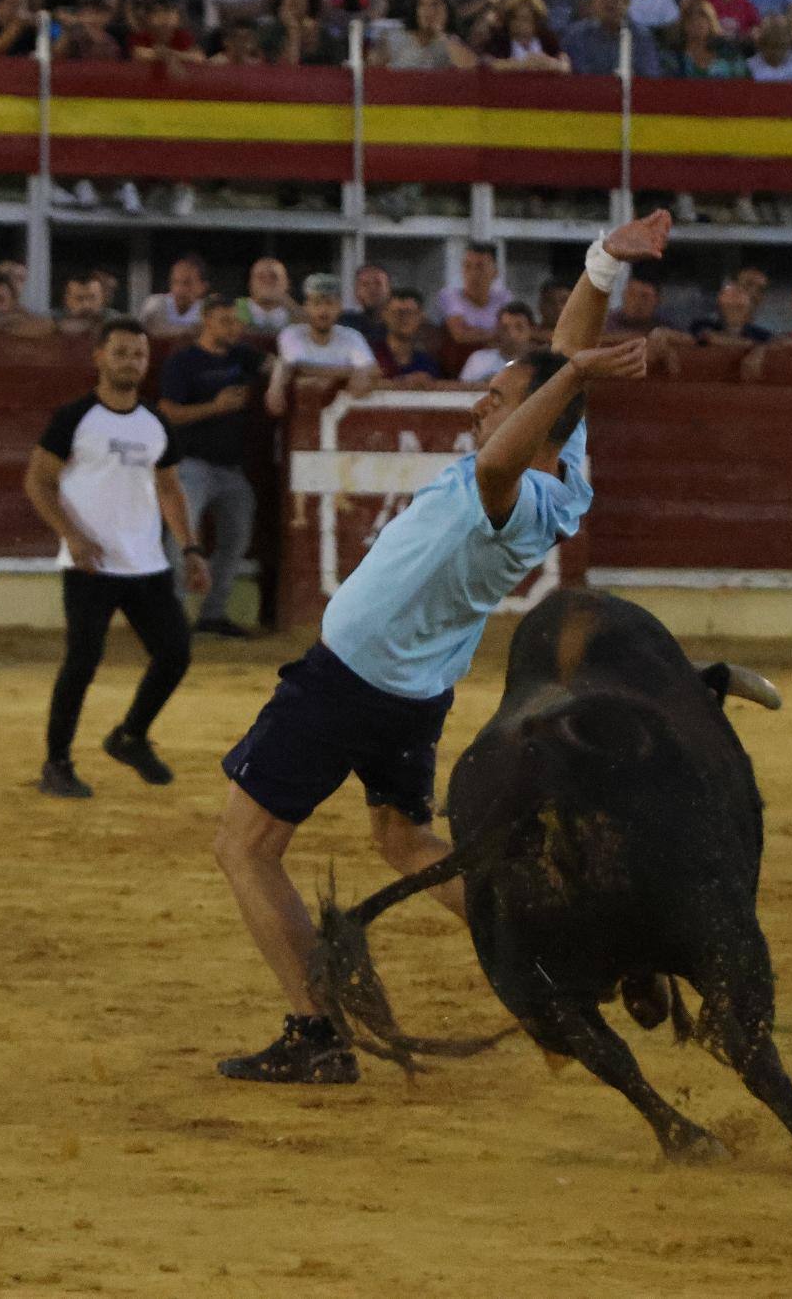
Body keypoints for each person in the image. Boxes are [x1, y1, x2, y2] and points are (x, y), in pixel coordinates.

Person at [210, 211, 662, 1085]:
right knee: (407, 841)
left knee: (245, 847)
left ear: (537, 421)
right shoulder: (564, 468)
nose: (481, 403)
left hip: (347, 682)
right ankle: (553, 956)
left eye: (499, 397)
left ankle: (315, 1032)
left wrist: (569, 372)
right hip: (413, 689)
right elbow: (563, 359)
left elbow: (510, 444)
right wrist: (604, 263)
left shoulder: (513, 493)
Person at [23, 316, 207, 799]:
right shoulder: (74, 417)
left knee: (175, 653)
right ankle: (56, 764)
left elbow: (170, 488)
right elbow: (38, 481)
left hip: (145, 561)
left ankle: (130, 736)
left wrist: (189, 546)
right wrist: (72, 536)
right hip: (90, 565)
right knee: (82, 661)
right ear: (99, 357)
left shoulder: (155, 422)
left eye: (139, 354)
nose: (131, 362)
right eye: (121, 352)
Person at [158, 294, 268, 638]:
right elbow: (168, 412)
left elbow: (283, 364)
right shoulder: (184, 362)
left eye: (236, 322)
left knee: (237, 539)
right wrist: (215, 408)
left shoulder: (243, 355)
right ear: (206, 320)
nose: (233, 328)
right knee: (181, 539)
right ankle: (170, 619)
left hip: (232, 468)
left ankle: (212, 614)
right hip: (190, 465)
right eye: (225, 321)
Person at [266, 273, 377, 414]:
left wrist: (359, 374)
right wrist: (349, 373)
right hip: (300, 417)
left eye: (329, 303)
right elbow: (292, 366)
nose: (323, 311)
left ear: (339, 307)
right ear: (306, 306)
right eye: (317, 303)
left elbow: (371, 370)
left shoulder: (352, 336)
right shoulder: (291, 334)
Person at [373, 288, 442, 384]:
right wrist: (401, 382)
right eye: (397, 312)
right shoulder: (369, 355)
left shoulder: (427, 364)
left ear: (421, 317)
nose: (404, 318)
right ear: (384, 315)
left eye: (410, 313)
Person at [459, 300, 538, 382]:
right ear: (498, 330)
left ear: (532, 330)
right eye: (505, 328)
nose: (512, 334)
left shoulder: (541, 363)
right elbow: (461, 388)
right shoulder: (478, 359)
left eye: (519, 327)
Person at [137, 254, 207, 335]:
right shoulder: (155, 306)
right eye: (175, 282)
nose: (179, 289)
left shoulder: (208, 313)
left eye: (187, 283)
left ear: (203, 287)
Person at [235, 257, 293, 333]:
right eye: (261, 277)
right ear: (250, 283)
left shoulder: (299, 314)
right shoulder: (233, 309)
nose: (267, 281)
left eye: (274, 276)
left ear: (287, 283)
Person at [340, 264, 393, 343]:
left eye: (378, 283)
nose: (372, 289)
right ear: (356, 292)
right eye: (365, 284)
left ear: (389, 289)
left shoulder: (401, 326)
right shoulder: (344, 324)